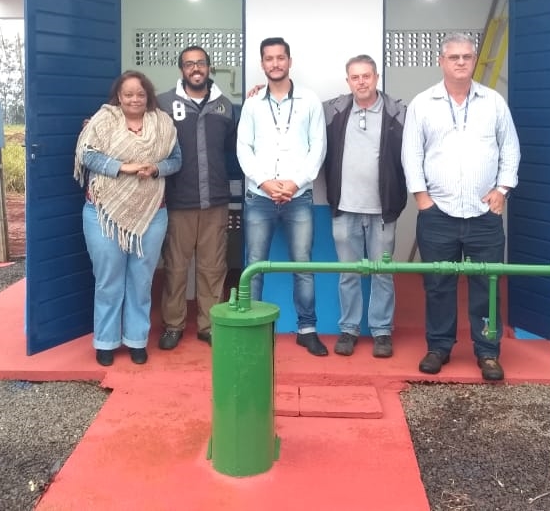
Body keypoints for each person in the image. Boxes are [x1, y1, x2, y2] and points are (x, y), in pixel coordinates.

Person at [401, 32, 520, 380]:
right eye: (454, 57)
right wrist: (422, 199)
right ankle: (438, 347)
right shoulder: (423, 103)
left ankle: (487, 352)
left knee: (487, 284)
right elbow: (412, 154)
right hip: (438, 213)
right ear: (442, 61)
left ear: (473, 60)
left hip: (484, 213)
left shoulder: (494, 102)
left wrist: (502, 189)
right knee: (438, 284)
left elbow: (510, 149)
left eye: (467, 57)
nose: (461, 63)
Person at [74, 70, 182, 367]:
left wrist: (156, 169)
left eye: (140, 94)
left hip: (152, 214)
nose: (134, 99)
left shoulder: (163, 124)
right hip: (103, 213)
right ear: (118, 97)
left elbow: (176, 160)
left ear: (148, 96)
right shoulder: (103, 121)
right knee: (108, 281)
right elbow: (87, 155)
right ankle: (106, 341)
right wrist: (125, 167)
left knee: (140, 281)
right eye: (128, 94)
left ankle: (136, 340)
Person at [236, 36, 329, 356]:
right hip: (259, 197)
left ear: (289, 61)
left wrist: (295, 182)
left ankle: (307, 329)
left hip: (298, 196)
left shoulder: (309, 100)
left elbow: (318, 146)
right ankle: (254, 329)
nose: (275, 63)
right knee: (255, 265)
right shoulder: (252, 103)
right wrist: (263, 182)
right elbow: (243, 148)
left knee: (302, 264)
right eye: (269, 58)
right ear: (262, 64)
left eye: (280, 58)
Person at [322, 54, 407, 358]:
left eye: (366, 76)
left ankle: (382, 332)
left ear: (376, 77)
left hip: (383, 211)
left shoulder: (398, 112)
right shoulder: (332, 110)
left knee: (382, 273)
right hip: (345, 208)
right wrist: (256, 91)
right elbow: (298, 117)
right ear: (348, 81)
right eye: (355, 77)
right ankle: (349, 329)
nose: (361, 82)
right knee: (349, 273)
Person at [156, 47, 236, 350]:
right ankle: (173, 325)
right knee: (176, 267)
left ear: (209, 67)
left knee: (213, 267)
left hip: (215, 200)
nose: (196, 68)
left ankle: (209, 324)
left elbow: (229, 149)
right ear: (181, 70)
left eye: (200, 63)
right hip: (178, 200)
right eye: (189, 64)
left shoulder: (224, 106)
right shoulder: (163, 104)